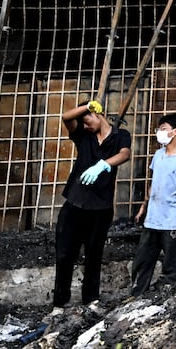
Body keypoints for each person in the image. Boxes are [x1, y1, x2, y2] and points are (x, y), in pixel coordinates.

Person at [53, 99, 132, 314]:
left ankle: (90, 300)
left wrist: (104, 164)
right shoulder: (83, 136)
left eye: (87, 120)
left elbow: (125, 154)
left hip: (101, 207)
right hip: (75, 203)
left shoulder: (120, 136)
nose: (85, 126)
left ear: (99, 114)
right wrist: (86, 108)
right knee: (64, 254)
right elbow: (66, 117)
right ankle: (60, 303)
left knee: (94, 254)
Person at [131, 113, 176, 296]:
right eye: (159, 129)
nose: (159, 133)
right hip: (153, 218)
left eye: (163, 129)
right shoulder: (158, 155)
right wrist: (143, 207)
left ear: (175, 131)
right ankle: (137, 294)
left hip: (173, 219)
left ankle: (166, 296)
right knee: (143, 260)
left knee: (171, 262)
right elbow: (153, 183)